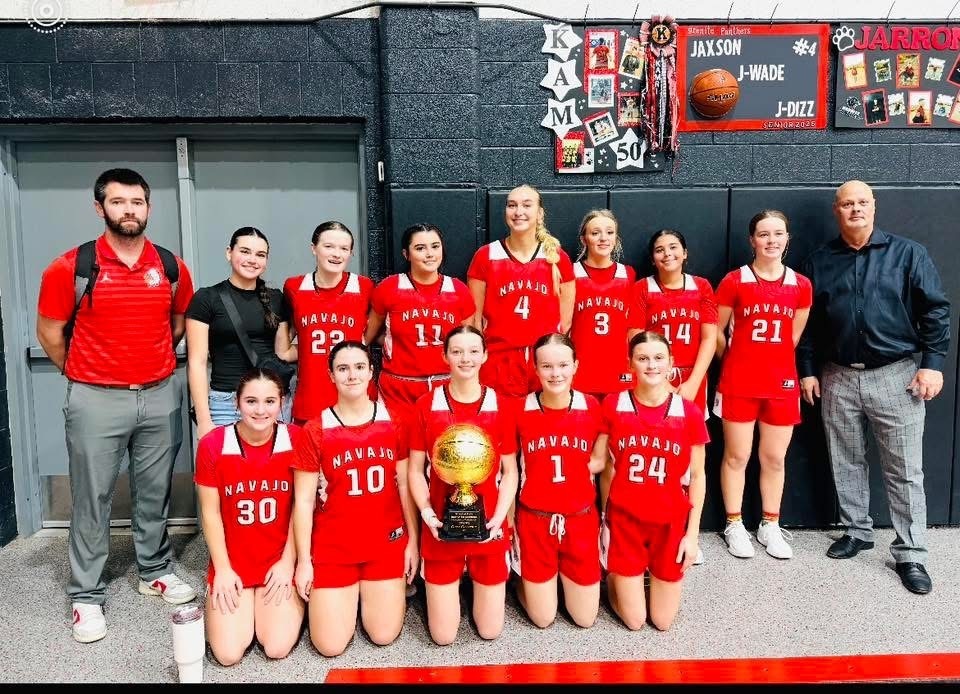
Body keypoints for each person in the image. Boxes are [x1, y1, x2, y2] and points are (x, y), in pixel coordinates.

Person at [36, 168, 197, 643]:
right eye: (119, 201)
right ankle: (85, 595)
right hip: (95, 399)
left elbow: (178, 320)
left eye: (138, 202)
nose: (130, 210)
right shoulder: (70, 267)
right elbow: (50, 333)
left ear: (149, 208)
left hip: (159, 393)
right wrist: (85, 374)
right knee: (93, 498)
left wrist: (151, 363)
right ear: (100, 207)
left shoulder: (170, 266)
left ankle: (154, 570)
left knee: (154, 491)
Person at [798, 180, 950, 595]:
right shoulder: (819, 261)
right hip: (838, 375)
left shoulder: (908, 254)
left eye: (862, 202)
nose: (855, 210)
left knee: (904, 470)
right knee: (846, 459)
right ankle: (857, 530)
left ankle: (911, 553)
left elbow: (935, 312)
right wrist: (808, 370)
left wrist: (932, 365)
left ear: (874, 206)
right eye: (847, 204)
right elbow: (808, 325)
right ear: (837, 210)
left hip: (897, 375)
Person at [291, 341, 417, 656]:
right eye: (343, 369)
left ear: (371, 372)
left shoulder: (395, 420)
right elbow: (304, 502)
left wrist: (412, 543)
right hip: (334, 548)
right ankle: (346, 596)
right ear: (331, 375)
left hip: (384, 545)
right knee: (329, 646)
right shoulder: (315, 429)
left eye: (359, 367)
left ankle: (367, 594)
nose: (352, 375)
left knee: (383, 635)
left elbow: (404, 485)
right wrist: (304, 561)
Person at [407, 326, 519, 645]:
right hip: (442, 526)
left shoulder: (501, 405)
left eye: (473, 351)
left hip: (489, 527)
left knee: (490, 631)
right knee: (443, 637)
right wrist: (428, 515)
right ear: (444, 357)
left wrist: (498, 518)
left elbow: (510, 471)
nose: (465, 358)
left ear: (485, 355)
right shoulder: (426, 404)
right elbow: (416, 471)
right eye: (456, 351)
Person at [713, 210, 812, 560]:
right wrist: (738, 359)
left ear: (787, 239)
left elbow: (793, 338)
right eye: (764, 234)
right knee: (737, 455)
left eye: (778, 234)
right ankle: (734, 523)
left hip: (781, 384)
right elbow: (715, 332)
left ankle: (770, 523)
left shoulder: (801, 285)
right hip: (739, 381)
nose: (771, 240)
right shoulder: (734, 280)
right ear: (752, 240)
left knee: (773, 457)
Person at [599, 331, 708, 631]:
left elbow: (698, 476)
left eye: (659, 358)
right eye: (643, 358)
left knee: (662, 622)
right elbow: (599, 462)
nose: (651, 365)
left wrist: (692, 536)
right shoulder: (614, 404)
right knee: (634, 622)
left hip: (670, 523)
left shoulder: (688, 412)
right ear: (630, 363)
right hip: (625, 520)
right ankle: (615, 575)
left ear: (671, 363)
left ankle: (640, 577)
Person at [194, 368, 304, 665]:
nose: (260, 410)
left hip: (278, 561)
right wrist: (223, 569)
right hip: (235, 563)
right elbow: (210, 513)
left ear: (282, 403)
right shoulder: (213, 444)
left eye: (270, 401)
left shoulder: (296, 439)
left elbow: (302, 507)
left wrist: (288, 562)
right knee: (228, 654)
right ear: (236, 403)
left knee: (276, 647)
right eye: (251, 401)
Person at [511, 333, 607, 629]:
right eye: (547, 366)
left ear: (576, 366)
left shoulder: (592, 406)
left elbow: (601, 454)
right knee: (543, 619)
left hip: (579, 521)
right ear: (535, 369)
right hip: (535, 520)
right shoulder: (519, 409)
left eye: (563, 365)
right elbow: (509, 470)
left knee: (585, 619)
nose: (556, 374)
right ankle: (520, 578)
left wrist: (599, 459)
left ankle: (558, 578)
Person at [466, 184, 575, 399]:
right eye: (511, 205)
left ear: (540, 213)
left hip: (544, 360)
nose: (518, 212)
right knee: (502, 428)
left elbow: (565, 321)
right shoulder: (486, 256)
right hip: (499, 360)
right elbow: (473, 320)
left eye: (527, 205)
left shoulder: (557, 258)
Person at [364, 223, 475, 427]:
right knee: (401, 454)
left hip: (446, 386)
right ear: (406, 254)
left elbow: (470, 343)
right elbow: (367, 338)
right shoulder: (389, 288)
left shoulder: (459, 290)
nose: (429, 254)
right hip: (399, 389)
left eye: (435, 246)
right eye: (420, 248)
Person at [186, 227, 293, 438]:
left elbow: (283, 351)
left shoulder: (276, 298)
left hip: (271, 401)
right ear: (229, 253)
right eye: (245, 251)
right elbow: (196, 362)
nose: (252, 259)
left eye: (260, 255)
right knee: (227, 469)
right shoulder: (207, 298)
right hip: (226, 403)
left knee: (274, 470)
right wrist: (204, 419)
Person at [282, 221, 374, 425]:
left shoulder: (364, 287)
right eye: (329, 246)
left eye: (344, 248)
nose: (336, 254)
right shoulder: (294, 286)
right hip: (310, 400)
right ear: (313, 248)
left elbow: (372, 333)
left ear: (351, 253)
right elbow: (289, 340)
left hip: (354, 399)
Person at [629, 229, 718, 417]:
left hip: (693, 374)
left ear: (684, 253)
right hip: (653, 374)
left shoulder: (702, 287)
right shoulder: (642, 288)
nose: (667, 253)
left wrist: (694, 382)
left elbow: (709, 339)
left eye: (673, 247)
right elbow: (635, 340)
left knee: (692, 438)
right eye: (659, 250)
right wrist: (663, 383)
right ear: (653, 259)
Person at [568, 209, 635, 401]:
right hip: (580, 371)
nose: (603, 238)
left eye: (609, 232)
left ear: (616, 238)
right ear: (584, 239)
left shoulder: (628, 274)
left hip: (618, 371)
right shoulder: (571, 273)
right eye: (595, 233)